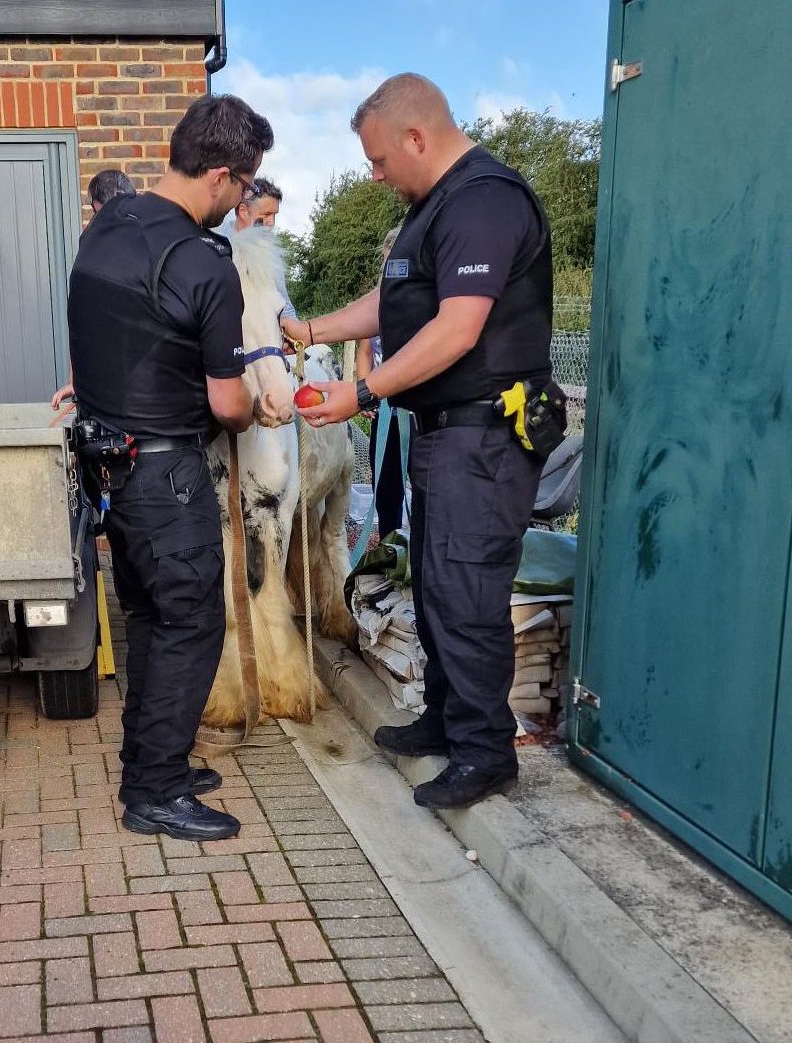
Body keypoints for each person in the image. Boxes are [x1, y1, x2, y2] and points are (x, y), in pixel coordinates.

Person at [286, 73, 555, 810]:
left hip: (484, 437)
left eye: (377, 160)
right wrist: (309, 331)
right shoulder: (430, 210)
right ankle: (444, 718)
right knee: (435, 588)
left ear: (415, 137)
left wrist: (361, 392)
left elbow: (456, 327)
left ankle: (484, 752)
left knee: (467, 592)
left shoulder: (484, 200)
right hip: (445, 437)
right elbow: (395, 303)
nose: (374, 175)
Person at [68, 93, 274, 841]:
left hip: (112, 472)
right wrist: (256, 407)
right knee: (190, 624)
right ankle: (154, 793)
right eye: (246, 183)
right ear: (219, 174)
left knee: (150, 620)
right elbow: (226, 406)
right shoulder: (199, 262)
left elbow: (103, 338)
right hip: (168, 475)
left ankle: (152, 761)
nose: (243, 196)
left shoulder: (106, 229)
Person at [54, 171, 141, 409]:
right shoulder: (95, 240)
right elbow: (82, 313)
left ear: (95, 205)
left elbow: (81, 314)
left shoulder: (94, 239)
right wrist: (75, 380)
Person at [355, 224, 408, 537]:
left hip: (414, 412)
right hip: (384, 410)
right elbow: (364, 351)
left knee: (416, 484)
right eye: (386, 263)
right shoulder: (374, 304)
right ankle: (390, 550)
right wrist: (365, 391)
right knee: (385, 485)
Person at [225, 175, 300, 332]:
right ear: (243, 211)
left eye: (274, 215)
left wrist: (298, 336)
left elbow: (284, 303)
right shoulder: (217, 241)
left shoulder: (269, 251)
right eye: (266, 215)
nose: (271, 223)